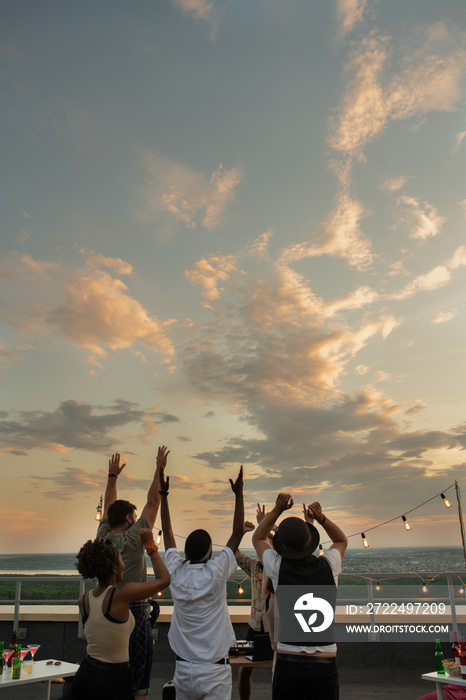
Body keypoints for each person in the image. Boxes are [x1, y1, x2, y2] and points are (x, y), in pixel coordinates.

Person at [160, 462, 245, 700]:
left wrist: (163, 495)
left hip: (183, 670)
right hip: (214, 671)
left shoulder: (175, 573)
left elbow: (167, 535)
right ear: (209, 554)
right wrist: (239, 495)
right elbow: (237, 532)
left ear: (186, 553)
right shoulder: (216, 573)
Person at [252, 494, 347, 700]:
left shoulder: (278, 567)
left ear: (282, 547)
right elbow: (341, 540)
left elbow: (258, 538)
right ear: (310, 541)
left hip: (288, 661)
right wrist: (321, 518)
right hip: (325, 662)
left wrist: (277, 510)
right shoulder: (329, 565)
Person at [96, 447, 169, 699]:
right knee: (138, 682)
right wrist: (159, 467)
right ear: (129, 519)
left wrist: (112, 476)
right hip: (135, 611)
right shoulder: (134, 537)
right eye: (135, 517)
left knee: (111, 675)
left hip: (104, 609)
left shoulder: (102, 537)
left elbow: (108, 506)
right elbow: (154, 501)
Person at [71, 531, 170, 700]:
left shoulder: (84, 600)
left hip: (86, 673)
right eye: (122, 560)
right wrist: (150, 546)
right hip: (113, 678)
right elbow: (164, 580)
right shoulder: (122, 594)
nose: (124, 564)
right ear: (115, 568)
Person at [235, 505, 275, 700]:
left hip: (274, 625)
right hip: (255, 625)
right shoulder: (253, 566)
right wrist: (240, 532)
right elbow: (233, 553)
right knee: (244, 671)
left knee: (279, 671)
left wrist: (268, 525)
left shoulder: (279, 566)